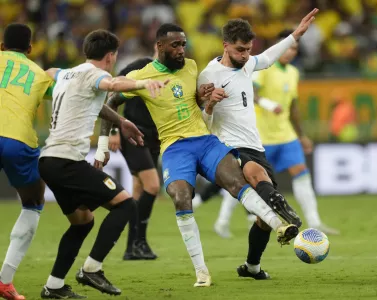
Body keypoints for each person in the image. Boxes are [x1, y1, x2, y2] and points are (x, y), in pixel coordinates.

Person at [97, 23, 300, 287]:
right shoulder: (144, 75)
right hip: (174, 147)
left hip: (205, 141)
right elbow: (110, 101)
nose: (182, 50)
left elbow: (195, 100)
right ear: (160, 46)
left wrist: (205, 98)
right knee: (181, 198)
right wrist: (108, 138)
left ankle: (278, 226)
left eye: (183, 44)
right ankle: (201, 271)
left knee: (237, 182)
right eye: (175, 45)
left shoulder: (193, 67)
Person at [38, 29, 167, 299]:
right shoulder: (95, 75)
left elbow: (51, 73)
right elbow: (113, 85)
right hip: (68, 161)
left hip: (48, 160)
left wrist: (121, 121)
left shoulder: (67, 74)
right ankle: (91, 269)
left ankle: (54, 286)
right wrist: (143, 84)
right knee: (126, 204)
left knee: (82, 223)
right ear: (110, 56)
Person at [198, 9, 319, 280]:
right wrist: (210, 104)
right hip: (227, 146)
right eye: (240, 50)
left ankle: (252, 267)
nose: (245, 55)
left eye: (248, 50)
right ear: (225, 45)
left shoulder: (249, 63)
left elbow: (267, 57)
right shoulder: (209, 75)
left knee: (263, 221)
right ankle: (281, 206)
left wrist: (295, 35)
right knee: (255, 173)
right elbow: (202, 122)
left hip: (255, 145)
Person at [253, 29, 340, 235]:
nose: (290, 52)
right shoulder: (263, 68)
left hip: (286, 135)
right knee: (253, 179)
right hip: (263, 136)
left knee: (301, 172)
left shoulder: (293, 72)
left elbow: (293, 107)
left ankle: (315, 221)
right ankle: (223, 221)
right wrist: (268, 104)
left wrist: (301, 135)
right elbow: (253, 93)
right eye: (287, 47)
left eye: (294, 48)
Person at [0, 23, 54, 300]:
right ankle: (5, 281)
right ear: (30, 49)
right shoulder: (38, 74)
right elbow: (69, 97)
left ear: (1, 46)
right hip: (17, 140)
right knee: (33, 201)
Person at [107, 55, 161, 261]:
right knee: (153, 186)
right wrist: (113, 129)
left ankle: (133, 247)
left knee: (139, 190)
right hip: (133, 133)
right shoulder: (140, 66)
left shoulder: (175, 73)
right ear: (159, 47)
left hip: (155, 137)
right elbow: (113, 93)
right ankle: (138, 242)